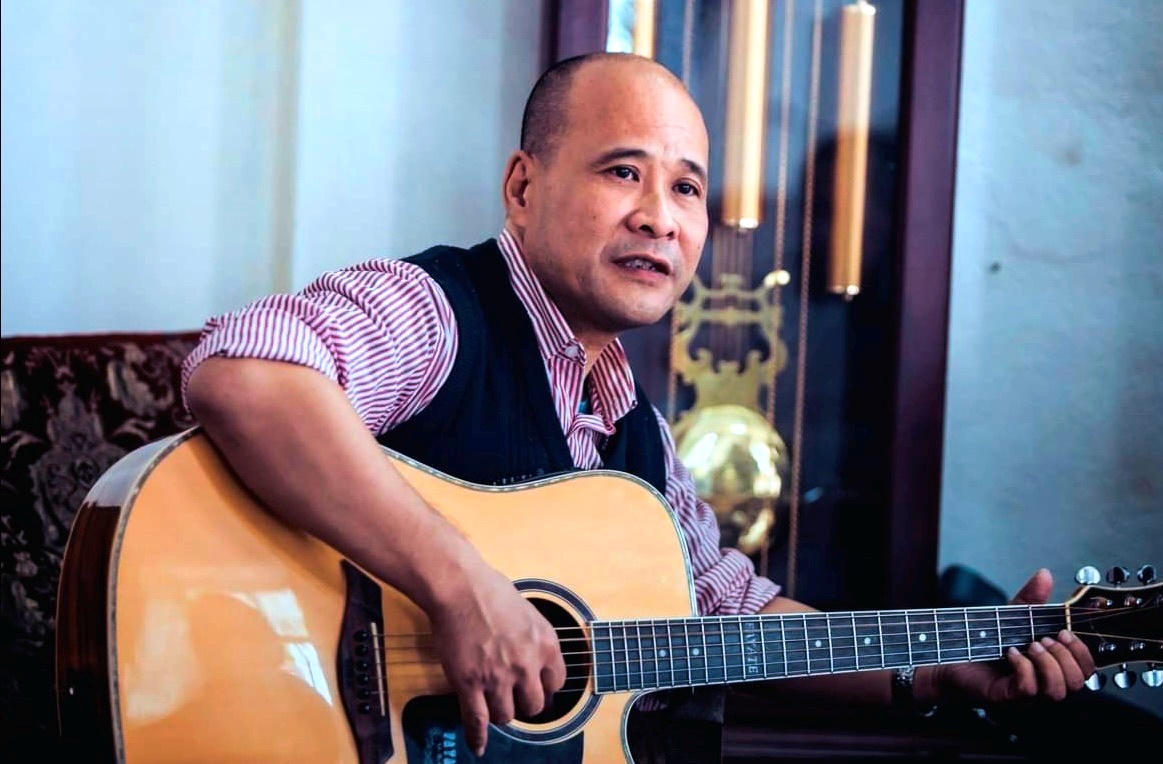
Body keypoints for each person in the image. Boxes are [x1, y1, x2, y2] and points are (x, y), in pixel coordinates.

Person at [182, 52, 1095, 760]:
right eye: (623, 172)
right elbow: (244, 373)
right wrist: (460, 587)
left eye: (687, 188)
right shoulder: (436, 313)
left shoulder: (639, 436)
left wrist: (938, 670)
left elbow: (724, 615)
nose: (661, 216)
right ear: (522, 188)